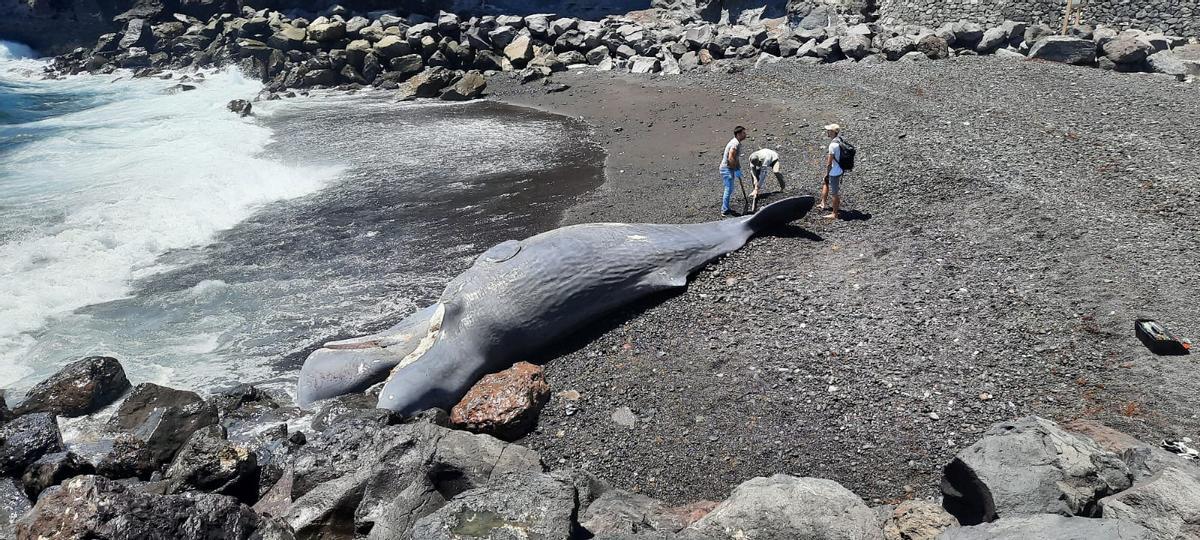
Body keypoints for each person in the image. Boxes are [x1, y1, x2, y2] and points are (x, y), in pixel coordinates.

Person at [718, 126, 747, 216]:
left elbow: (735, 158)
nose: (745, 135)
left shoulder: (736, 142)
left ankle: (726, 207)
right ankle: (724, 210)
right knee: (728, 188)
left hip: (728, 168)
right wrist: (735, 169)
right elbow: (731, 157)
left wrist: (738, 168)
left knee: (729, 189)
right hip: (727, 169)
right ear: (738, 134)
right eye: (743, 133)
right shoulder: (735, 144)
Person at [820, 123, 844, 219]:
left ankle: (834, 213)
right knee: (825, 183)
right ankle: (823, 203)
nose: (827, 132)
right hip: (840, 169)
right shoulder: (840, 140)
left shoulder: (833, 145)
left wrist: (827, 173)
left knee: (834, 193)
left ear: (834, 132)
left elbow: (829, 163)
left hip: (834, 171)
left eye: (829, 131)